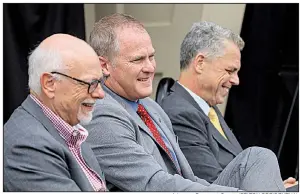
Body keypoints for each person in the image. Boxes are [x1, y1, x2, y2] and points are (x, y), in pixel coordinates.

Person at [84, 13, 286, 191]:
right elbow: (152, 184)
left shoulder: (150, 107)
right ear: (104, 66)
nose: (150, 67)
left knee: (259, 157)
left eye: (151, 57)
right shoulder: (101, 113)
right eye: (138, 60)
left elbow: (188, 177)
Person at [160, 21, 297, 189]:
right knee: (262, 156)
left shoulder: (208, 109)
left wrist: (274, 186)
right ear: (200, 63)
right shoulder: (180, 113)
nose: (236, 80)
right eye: (230, 71)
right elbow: (211, 185)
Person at [4, 34, 107, 191]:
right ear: (50, 84)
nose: (100, 93)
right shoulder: (28, 146)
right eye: (91, 83)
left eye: (100, 82)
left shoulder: (70, 129)